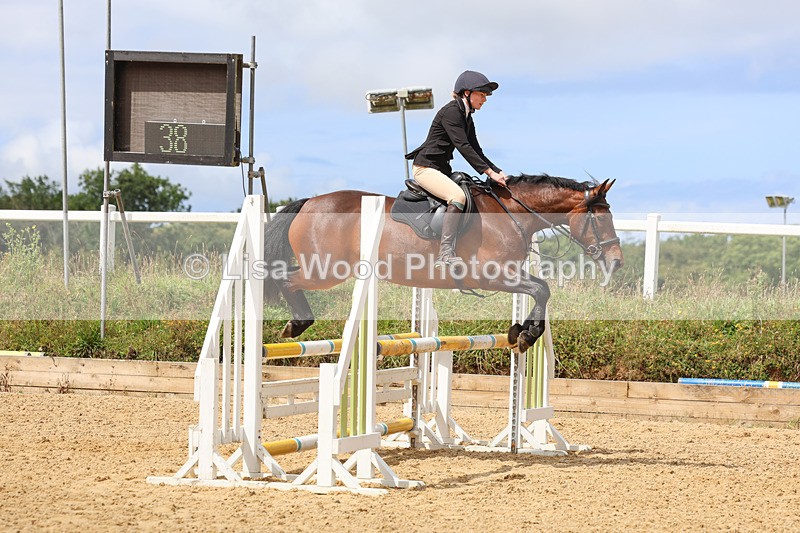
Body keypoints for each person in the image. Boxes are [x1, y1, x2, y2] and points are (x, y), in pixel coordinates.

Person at [405, 70, 508, 268]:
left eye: (486, 95)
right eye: (482, 94)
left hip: (440, 169)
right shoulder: (452, 112)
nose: (485, 99)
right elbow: (464, 147)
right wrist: (489, 173)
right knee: (458, 197)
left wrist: (498, 171)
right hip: (425, 168)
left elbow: (477, 149)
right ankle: (445, 253)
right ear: (467, 93)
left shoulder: (467, 116)